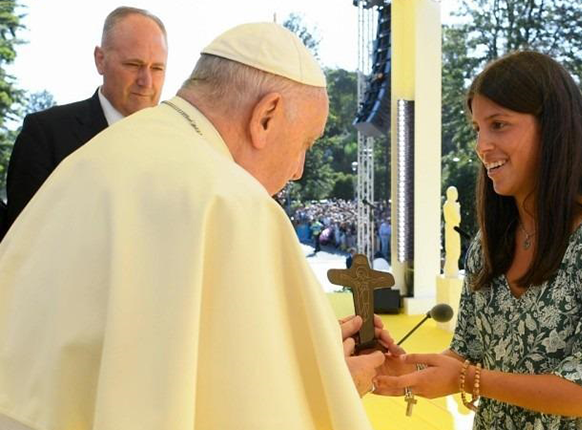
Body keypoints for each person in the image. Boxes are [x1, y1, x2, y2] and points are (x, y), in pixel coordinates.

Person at [0, 23, 398, 430]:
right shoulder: (232, 202)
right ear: (266, 115)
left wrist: (303, 347)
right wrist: (331, 386)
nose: (298, 171)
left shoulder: (92, 158)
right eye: (304, 145)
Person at [375, 52, 582, 428]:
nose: (482, 144)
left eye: (498, 124)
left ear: (553, 128)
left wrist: (467, 380)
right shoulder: (489, 242)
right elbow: (468, 354)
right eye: (478, 128)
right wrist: (405, 366)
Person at [2, 7, 168, 239]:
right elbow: (22, 244)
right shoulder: (46, 134)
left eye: (157, 68)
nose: (146, 81)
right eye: (133, 65)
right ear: (100, 60)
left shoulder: (179, 145)